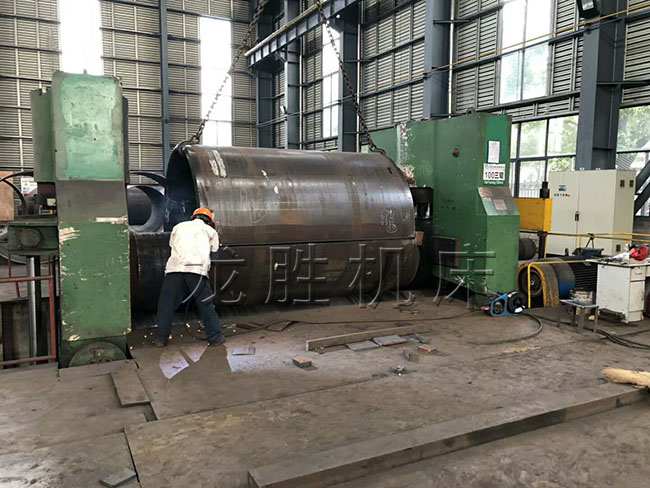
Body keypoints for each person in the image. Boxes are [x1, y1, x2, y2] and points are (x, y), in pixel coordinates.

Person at [154, 207, 225, 348]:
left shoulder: (178, 227)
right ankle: (215, 338)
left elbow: (172, 245)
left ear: (193, 217)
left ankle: (160, 339)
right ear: (209, 221)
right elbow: (214, 253)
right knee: (206, 305)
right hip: (196, 271)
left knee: (166, 305)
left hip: (174, 269)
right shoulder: (210, 231)